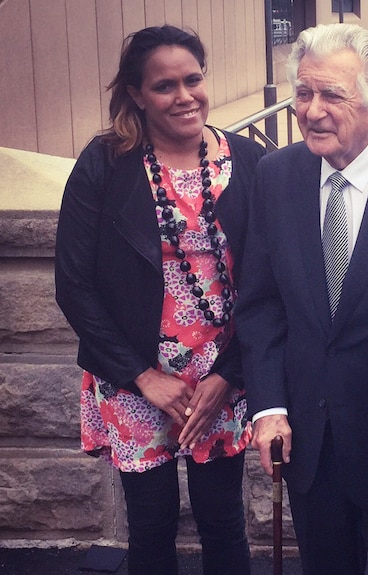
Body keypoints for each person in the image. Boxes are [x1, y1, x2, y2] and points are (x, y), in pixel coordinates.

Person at [233, 23, 368, 575]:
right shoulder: (275, 174)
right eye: (303, 93)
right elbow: (260, 304)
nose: (312, 111)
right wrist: (268, 407)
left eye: (332, 94)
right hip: (308, 441)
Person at [54, 25, 266, 575]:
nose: (184, 96)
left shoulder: (247, 160)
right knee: (150, 524)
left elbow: (272, 283)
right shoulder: (105, 163)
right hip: (134, 375)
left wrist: (231, 374)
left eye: (193, 79)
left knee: (223, 520)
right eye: (164, 86)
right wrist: (141, 376)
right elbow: (73, 284)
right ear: (136, 94)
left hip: (219, 376)